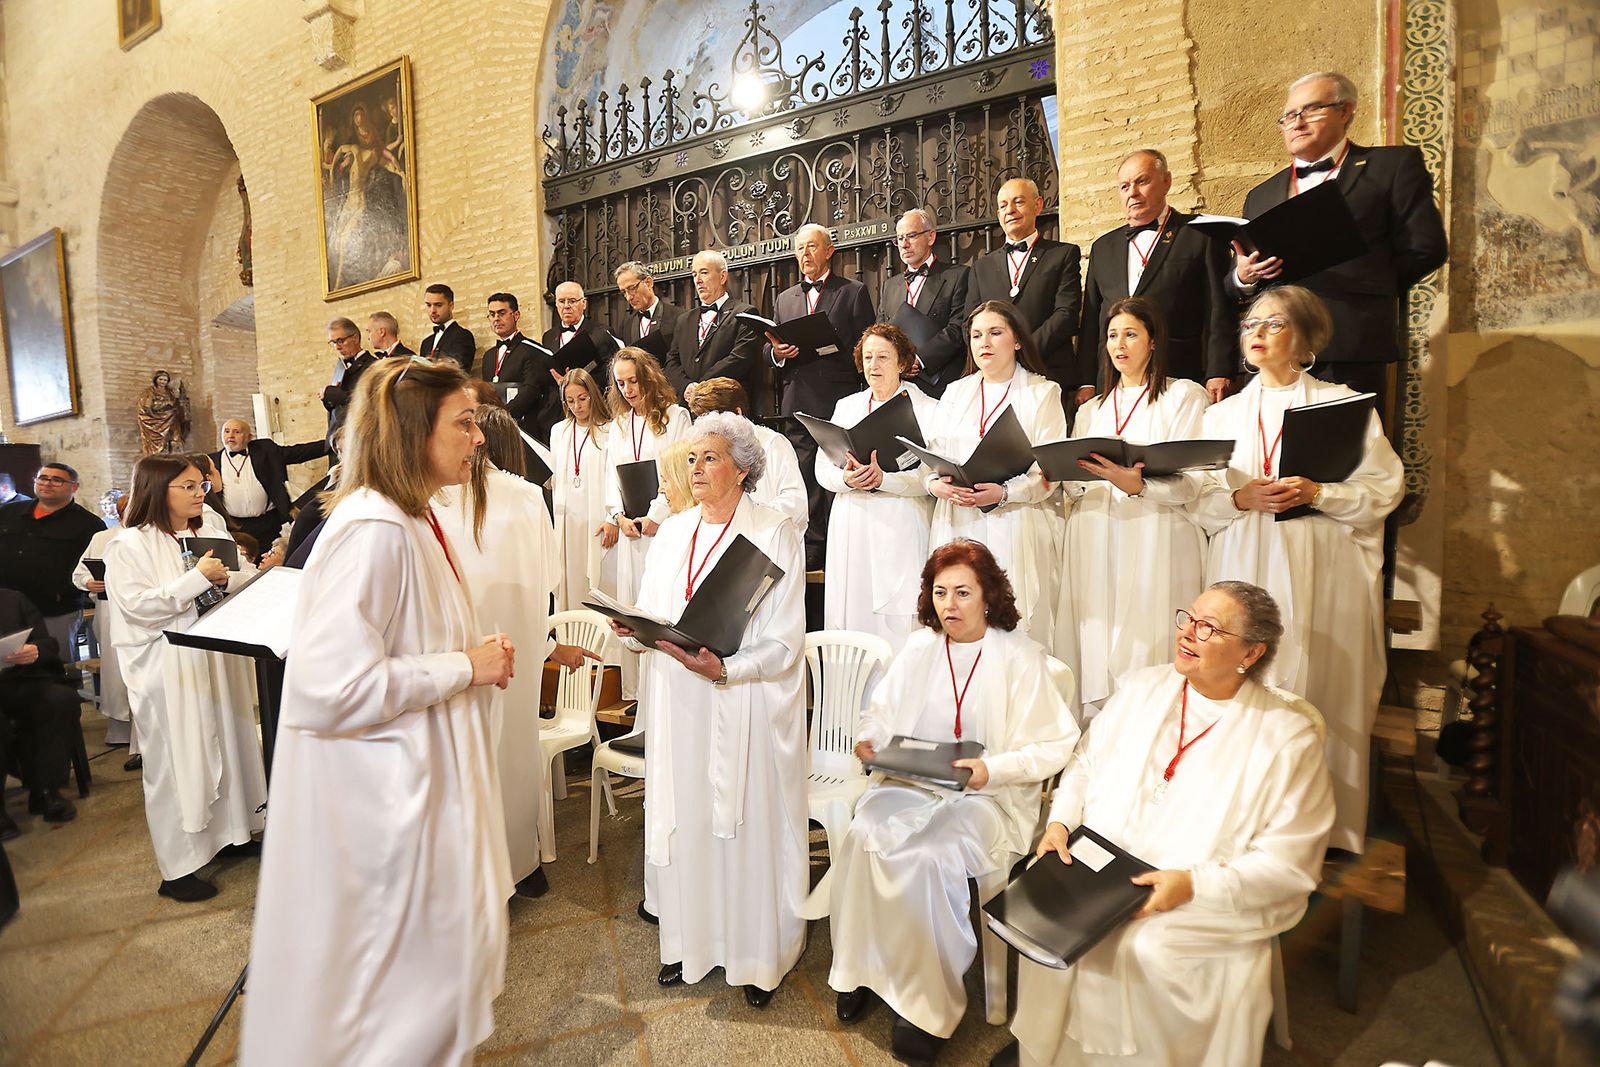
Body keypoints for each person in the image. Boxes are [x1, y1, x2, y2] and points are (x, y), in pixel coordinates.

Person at [241, 357, 516, 1066]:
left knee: (422, 996)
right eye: (462, 422)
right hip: (387, 807)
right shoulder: (375, 529)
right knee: (386, 1007)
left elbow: (405, 638)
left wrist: (467, 650)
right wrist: (465, 665)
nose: (477, 438)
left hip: (416, 784)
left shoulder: (413, 517)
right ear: (412, 430)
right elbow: (327, 686)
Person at [1000, 582, 1334, 1067]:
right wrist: (1060, 823)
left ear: (1251, 651)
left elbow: (1288, 865)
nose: (1187, 633)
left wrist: (1192, 886)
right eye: (1188, 618)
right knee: (1044, 907)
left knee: (1144, 949)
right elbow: (1085, 764)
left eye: (1209, 627)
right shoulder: (1143, 688)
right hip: (1105, 863)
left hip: (1198, 887)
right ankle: (1051, 1048)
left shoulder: (1285, 738)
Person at [829, 540, 1078, 1063]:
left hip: (987, 798)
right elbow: (880, 711)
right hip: (912, 783)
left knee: (928, 858)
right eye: (940, 593)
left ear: (989, 596)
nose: (950, 605)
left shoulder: (1019, 656)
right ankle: (862, 970)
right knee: (862, 835)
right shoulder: (920, 648)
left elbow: (1055, 745)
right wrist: (870, 740)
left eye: (963, 592)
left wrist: (995, 768)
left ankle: (926, 1008)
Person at [607, 412, 807, 1009]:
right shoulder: (672, 533)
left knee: (743, 819)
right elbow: (653, 608)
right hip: (679, 701)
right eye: (691, 459)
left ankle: (754, 955)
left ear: (743, 470)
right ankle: (690, 945)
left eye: (710, 458)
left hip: (740, 699)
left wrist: (729, 668)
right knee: (687, 813)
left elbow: (785, 638)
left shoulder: (774, 532)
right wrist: (634, 629)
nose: (695, 469)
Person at [1196, 286, 1402, 853]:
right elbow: (1195, 498)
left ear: (1306, 338)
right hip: (1243, 557)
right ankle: (1237, 830)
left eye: (1275, 323)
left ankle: (1315, 831)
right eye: (1250, 324)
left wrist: (1321, 491)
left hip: (1317, 562)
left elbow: (1384, 488)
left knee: (1312, 682)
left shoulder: (1341, 405)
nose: (1257, 332)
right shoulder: (1222, 414)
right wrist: (1239, 500)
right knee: (1241, 685)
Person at [435, 404, 599, 900]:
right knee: (515, 753)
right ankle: (523, 864)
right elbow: (548, 578)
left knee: (469, 758)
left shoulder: (434, 499)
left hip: (459, 649)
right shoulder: (526, 497)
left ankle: (471, 878)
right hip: (518, 647)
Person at [1228, 71, 1448, 419]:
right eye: (1288, 116)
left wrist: (1367, 284)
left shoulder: (1390, 167)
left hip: (1352, 342)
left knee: (1348, 459)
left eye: (1311, 109)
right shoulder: (1261, 195)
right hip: (1278, 351)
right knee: (1277, 458)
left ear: (1345, 111)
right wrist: (1244, 275)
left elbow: (1427, 246)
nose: (1297, 123)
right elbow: (1237, 280)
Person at [104, 454, 265, 902]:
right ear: (159, 491)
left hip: (216, 655)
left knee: (229, 742)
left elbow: (234, 580)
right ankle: (177, 868)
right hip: (166, 665)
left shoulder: (209, 532)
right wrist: (196, 578)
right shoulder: (129, 544)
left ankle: (233, 834)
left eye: (201, 486)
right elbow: (139, 606)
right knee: (176, 760)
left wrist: (247, 576)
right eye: (189, 487)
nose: (200, 494)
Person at [1056, 298, 1210, 718]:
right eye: (1111, 335)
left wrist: (1140, 485)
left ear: (1154, 341)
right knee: (1097, 640)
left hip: (1155, 533)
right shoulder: (1091, 410)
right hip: (1095, 532)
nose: (1118, 344)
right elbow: (1072, 483)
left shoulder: (1183, 397)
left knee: (1148, 640)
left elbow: (1194, 483)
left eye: (1130, 334)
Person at [926, 301, 1067, 656]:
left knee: (1013, 625)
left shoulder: (1042, 393)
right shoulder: (956, 393)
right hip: (958, 517)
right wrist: (935, 484)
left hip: (1014, 520)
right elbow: (931, 456)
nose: (983, 342)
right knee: (959, 618)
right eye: (975, 335)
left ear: (1017, 340)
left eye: (994, 332)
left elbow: (1050, 472)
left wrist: (1005, 492)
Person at [1074, 150, 1237, 405]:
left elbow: (1219, 309)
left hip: (1179, 374)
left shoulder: (1200, 235)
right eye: (1125, 186)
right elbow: (1092, 321)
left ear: (1167, 181)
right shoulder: (1102, 247)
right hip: (1114, 381)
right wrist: (1086, 380)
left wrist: (1219, 370)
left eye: (1142, 181)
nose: (1132, 193)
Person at [816, 324, 938, 651]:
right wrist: (845, 478)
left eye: (883, 357)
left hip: (899, 522)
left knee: (898, 623)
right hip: (852, 523)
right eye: (867, 357)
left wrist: (885, 479)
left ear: (902, 363)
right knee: (853, 617)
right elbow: (821, 467)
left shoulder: (927, 409)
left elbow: (931, 475)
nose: (873, 365)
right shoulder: (847, 406)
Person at [767, 224, 876, 569]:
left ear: (829, 251)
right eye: (800, 249)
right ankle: (811, 547)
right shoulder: (785, 298)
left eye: (812, 247)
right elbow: (771, 350)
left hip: (837, 398)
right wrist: (779, 353)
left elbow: (866, 346)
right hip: (797, 399)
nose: (805, 254)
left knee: (837, 472)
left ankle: (839, 546)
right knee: (803, 475)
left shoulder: (853, 291)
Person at [601, 349, 692, 699]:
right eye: (620, 383)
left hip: (665, 527)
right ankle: (637, 696)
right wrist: (617, 516)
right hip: (630, 531)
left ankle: (665, 694)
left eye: (633, 381)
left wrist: (656, 515)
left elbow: (677, 471)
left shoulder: (675, 416)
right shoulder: (620, 425)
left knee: (661, 607)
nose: (627, 390)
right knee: (633, 608)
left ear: (649, 378)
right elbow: (611, 475)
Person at [968, 179, 1081, 385]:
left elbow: (1067, 313)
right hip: (997, 378)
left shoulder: (1063, 254)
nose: (1010, 210)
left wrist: (1024, 350)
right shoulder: (980, 267)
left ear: (1038, 205)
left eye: (1018, 202)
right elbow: (970, 320)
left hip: (1050, 372)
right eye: (1003, 206)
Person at [0, 462, 105, 669]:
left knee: (55, 666)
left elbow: (90, 568)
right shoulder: (8, 512)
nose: (48, 483)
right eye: (43, 478)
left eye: (57, 480)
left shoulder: (89, 524)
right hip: (7, 607)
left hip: (55, 608)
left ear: (74, 487)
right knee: (8, 668)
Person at [0, 587, 81, 837]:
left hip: (21, 680)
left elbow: (48, 644)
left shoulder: (14, 600)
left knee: (60, 700)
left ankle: (45, 790)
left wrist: (35, 651)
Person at [686, 376, 808, 530]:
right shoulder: (698, 449)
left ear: (738, 412)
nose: (710, 429)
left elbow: (796, 502)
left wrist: (748, 517)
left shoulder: (772, 443)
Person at [876, 208, 973, 398]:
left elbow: (958, 328)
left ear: (931, 237)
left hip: (940, 386)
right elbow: (880, 332)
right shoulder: (890, 285)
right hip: (896, 387)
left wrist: (919, 359)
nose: (904, 245)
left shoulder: (957, 276)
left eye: (911, 236)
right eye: (899, 239)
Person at [210, 418, 330, 552]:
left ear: (249, 437)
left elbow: (298, 452)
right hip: (235, 525)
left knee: (270, 560)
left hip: (268, 522)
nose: (230, 436)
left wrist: (331, 443)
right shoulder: (212, 461)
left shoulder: (265, 451)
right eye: (227, 431)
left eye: (236, 432)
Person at [551, 368, 616, 611]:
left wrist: (613, 518)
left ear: (593, 395)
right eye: (570, 401)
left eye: (582, 398)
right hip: (568, 519)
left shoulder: (609, 430)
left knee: (599, 579)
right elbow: (555, 475)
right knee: (570, 574)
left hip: (596, 516)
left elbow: (614, 478)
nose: (576, 406)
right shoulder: (559, 431)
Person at [661, 249, 763, 403]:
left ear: (723, 277)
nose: (698, 280)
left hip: (726, 405)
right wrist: (687, 386)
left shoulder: (744, 313)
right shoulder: (684, 320)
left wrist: (701, 387)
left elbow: (740, 358)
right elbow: (672, 361)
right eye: (694, 274)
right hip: (689, 407)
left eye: (704, 273)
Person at [74, 495, 135, 752]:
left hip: (139, 612)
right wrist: (89, 583)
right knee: (117, 674)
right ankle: (122, 731)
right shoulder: (102, 538)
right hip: (110, 612)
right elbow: (80, 572)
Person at [482, 291, 561, 442]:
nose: (496, 319)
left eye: (502, 313)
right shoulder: (488, 356)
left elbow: (531, 390)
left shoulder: (531, 350)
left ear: (516, 315)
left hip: (525, 428)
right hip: (496, 430)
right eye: (492, 314)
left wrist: (502, 416)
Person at [543, 281, 616, 385]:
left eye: (572, 301)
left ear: (584, 303)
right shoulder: (548, 337)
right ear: (556, 304)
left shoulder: (601, 333)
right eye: (561, 301)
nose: (566, 306)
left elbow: (611, 373)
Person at [321, 316, 374, 438]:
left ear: (355, 338)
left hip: (359, 438)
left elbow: (372, 403)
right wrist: (328, 398)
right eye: (333, 342)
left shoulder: (372, 366)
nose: (337, 347)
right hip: (337, 438)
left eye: (340, 340)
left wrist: (340, 396)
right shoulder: (341, 366)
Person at [615, 260, 679, 356]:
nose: (629, 297)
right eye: (624, 292)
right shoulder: (626, 325)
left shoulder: (678, 317)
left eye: (632, 288)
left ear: (648, 283)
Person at [418, 283, 476, 370]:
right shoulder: (426, 343)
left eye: (438, 305)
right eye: (429, 305)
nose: (432, 310)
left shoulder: (462, 336)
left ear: (451, 305)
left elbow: (458, 371)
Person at [137, 370, 191, 454]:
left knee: (174, 435)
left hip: (171, 418)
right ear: (156, 380)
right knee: (160, 443)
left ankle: (174, 449)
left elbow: (174, 404)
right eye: (160, 379)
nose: (163, 382)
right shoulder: (150, 391)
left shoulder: (170, 392)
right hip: (156, 419)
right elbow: (147, 406)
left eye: (165, 380)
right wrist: (165, 404)